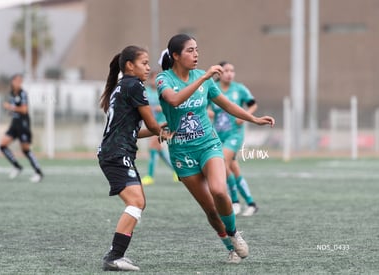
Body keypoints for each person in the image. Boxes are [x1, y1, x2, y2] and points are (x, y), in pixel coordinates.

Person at [157, 34, 275, 263]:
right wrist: (203, 80)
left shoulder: (202, 77)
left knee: (219, 191)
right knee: (211, 211)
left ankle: (233, 233)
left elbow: (227, 105)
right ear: (175, 56)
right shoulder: (164, 79)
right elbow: (173, 100)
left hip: (208, 145)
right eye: (190, 50)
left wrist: (254, 119)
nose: (196, 54)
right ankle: (230, 246)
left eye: (197, 49)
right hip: (182, 153)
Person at [97, 45, 170, 271]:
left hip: (117, 152)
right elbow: (150, 124)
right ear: (130, 65)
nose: (149, 67)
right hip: (116, 154)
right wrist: (164, 125)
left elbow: (135, 131)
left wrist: (162, 129)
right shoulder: (134, 85)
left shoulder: (123, 86)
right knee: (136, 202)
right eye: (144, 63)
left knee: (138, 202)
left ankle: (116, 255)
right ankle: (114, 257)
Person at [210, 61, 259, 217]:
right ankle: (251, 203)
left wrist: (245, 117)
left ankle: (235, 202)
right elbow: (205, 106)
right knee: (233, 170)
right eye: (226, 70)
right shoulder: (213, 88)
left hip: (234, 134)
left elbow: (253, 104)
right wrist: (209, 112)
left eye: (232, 70)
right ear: (219, 73)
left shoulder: (239, 89)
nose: (229, 73)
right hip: (218, 134)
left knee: (222, 162)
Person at [0, 74, 43, 183]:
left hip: (23, 124)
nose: (19, 83)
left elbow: (24, 110)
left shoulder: (22, 94)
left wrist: (10, 107)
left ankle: (38, 172)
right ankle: (17, 166)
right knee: (2, 145)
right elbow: (13, 110)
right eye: (17, 81)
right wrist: (10, 111)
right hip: (14, 124)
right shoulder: (12, 94)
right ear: (12, 81)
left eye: (20, 81)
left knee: (25, 150)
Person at [141, 71, 178, 185]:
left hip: (162, 123)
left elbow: (172, 105)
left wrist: (160, 108)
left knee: (153, 147)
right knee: (159, 151)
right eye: (153, 79)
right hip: (150, 124)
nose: (155, 82)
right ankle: (177, 171)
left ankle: (150, 176)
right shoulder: (145, 91)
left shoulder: (163, 92)